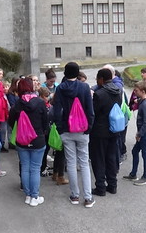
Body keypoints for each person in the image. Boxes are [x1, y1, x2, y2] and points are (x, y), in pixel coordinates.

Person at [53, 62, 95, 208]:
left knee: (70, 163)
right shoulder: (84, 87)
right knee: (84, 163)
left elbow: (56, 110)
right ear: (77, 73)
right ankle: (88, 197)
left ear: (65, 73)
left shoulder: (60, 89)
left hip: (66, 129)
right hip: (82, 129)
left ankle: (75, 195)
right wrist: (89, 128)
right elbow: (90, 109)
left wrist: (59, 128)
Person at [8, 78, 48, 206]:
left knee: (25, 167)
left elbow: (10, 121)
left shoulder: (17, 104)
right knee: (35, 168)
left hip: (22, 141)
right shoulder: (40, 102)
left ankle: (28, 195)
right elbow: (45, 122)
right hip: (38, 139)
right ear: (31, 87)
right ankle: (35, 196)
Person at [89, 68, 122, 196]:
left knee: (99, 159)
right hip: (114, 129)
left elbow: (94, 113)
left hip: (100, 131)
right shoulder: (118, 91)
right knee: (111, 158)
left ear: (101, 79)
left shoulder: (100, 94)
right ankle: (112, 185)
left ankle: (100, 187)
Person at [39, 87, 68, 185]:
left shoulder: (52, 106)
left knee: (57, 154)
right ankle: (60, 176)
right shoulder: (62, 108)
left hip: (53, 132)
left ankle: (55, 174)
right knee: (62, 154)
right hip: (61, 132)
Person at [123, 80, 146, 185]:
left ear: (143, 91)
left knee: (144, 155)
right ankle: (133, 174)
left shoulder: (144, 105)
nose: (134, 92)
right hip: (142, 133)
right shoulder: (142, 102)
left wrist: (139, 134)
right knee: (135, 151)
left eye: (136, 91)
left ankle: (144, 176)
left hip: (143, 134)